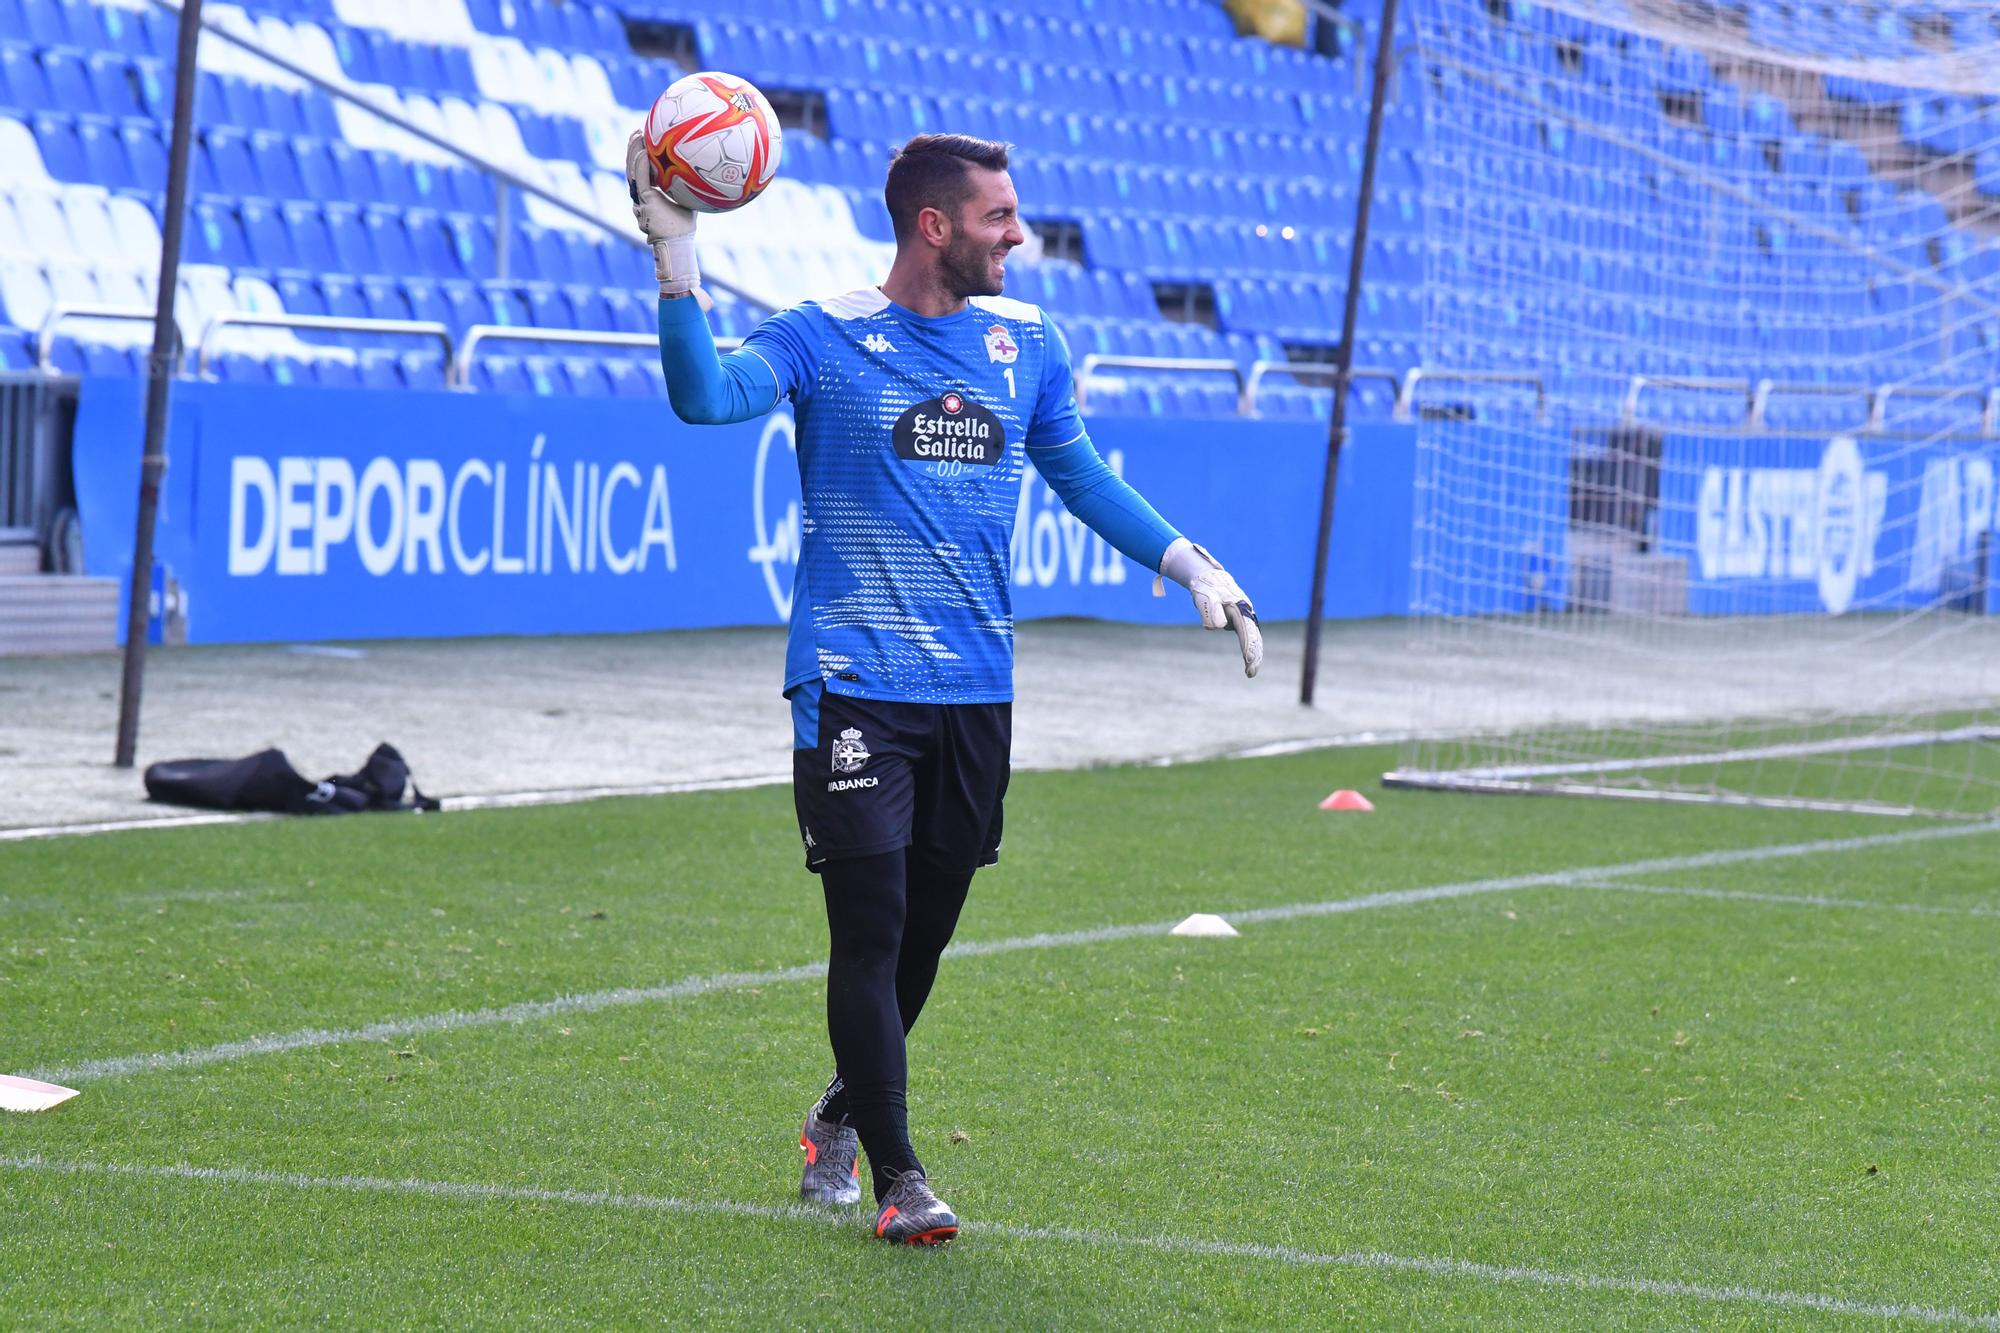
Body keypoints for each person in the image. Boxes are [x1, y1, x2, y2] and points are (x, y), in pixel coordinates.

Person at [629, 130, 1261, 1246]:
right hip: (853, 683)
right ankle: (900, 1175)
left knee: (921, 940)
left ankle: (839, 1107)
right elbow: (705, 399)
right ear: (934, 226)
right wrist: (677, 261)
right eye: (997, 218)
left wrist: (1188, 561)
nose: (1017, 235)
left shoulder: (1028, 342)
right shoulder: (821, 335)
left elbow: (1081, 474)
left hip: (976, 689)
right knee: (867, 932)